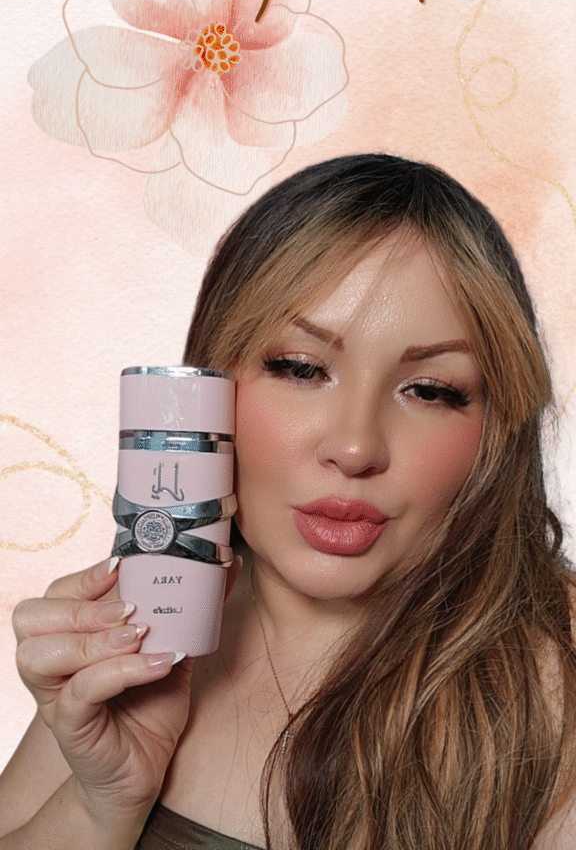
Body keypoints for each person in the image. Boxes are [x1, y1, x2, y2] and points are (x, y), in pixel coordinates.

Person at [1, 153, 576, 850]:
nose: (356, 447)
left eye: (429, 390)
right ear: (211, 387)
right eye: (302, 369)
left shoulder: (556, 691)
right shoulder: (141, 625)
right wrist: (100, 807)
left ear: (496, 423)